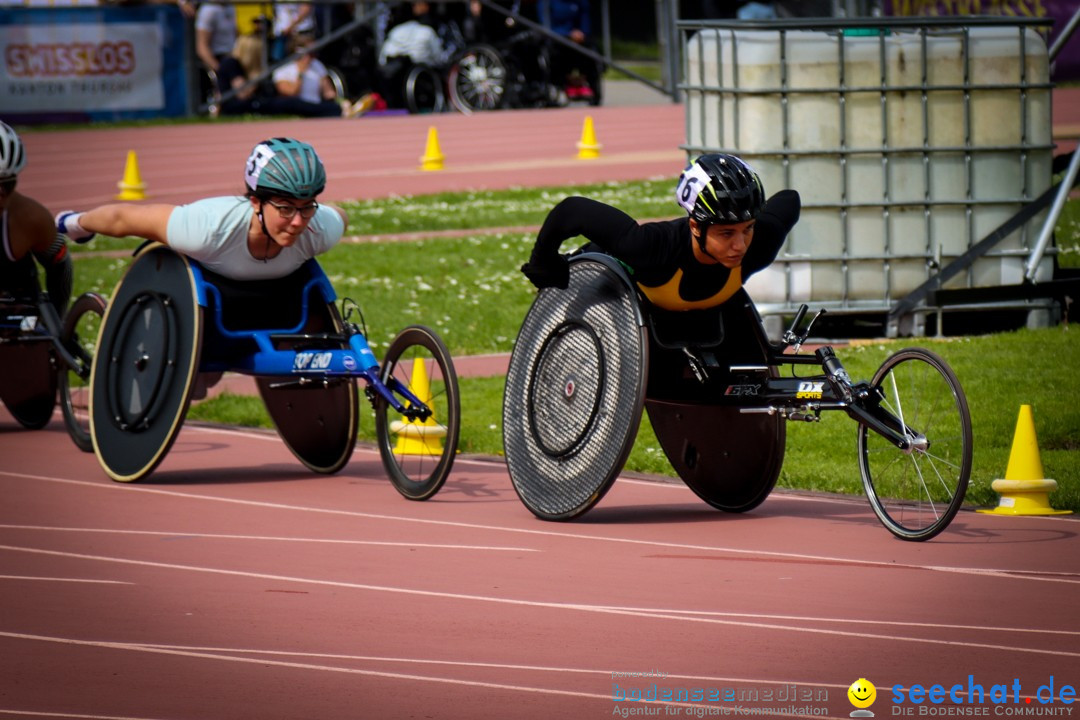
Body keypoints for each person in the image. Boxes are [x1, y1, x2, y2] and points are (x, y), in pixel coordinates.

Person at [521, 153, 800, 393]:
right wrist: (542, 262)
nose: (739, 245)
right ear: (695, 226)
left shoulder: (760, 243)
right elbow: (572, 210)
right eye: (726, 233)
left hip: (693, 314)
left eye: (747, 228)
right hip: (611, 293)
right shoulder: (650, 247)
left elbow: (789, 199)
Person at [55, 137, 347, 282]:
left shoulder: (319, 228)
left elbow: (341, 216)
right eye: (285, 208)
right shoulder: (205, 228)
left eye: (306, 207)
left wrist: (312, 211)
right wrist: (76, 223)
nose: (297, 222)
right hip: (203, 287)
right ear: (255, 201)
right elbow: (123, 219)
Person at [0, 121, 73, 319]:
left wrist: (59, 323)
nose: (1, 195)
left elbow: (60, 264)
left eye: (7, 185)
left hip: (17, 309)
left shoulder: (31, 218)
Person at [272, 32, 367, 118]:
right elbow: (291, 93)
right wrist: (301, 73)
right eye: (310, 53)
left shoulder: (316, 65)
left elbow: (328, 92)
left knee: (327, 107)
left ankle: (346, 109)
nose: (313, 56)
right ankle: (341, 111)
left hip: (316, 106)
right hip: (296, 106)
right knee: (297, 104)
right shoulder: (283, 69)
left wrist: (341, 101)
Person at [538, 0, 602, 105]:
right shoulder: (546, 2)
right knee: (557, 52)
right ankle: (561, 84)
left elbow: (585, 22)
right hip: (558, 39)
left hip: (578, 39)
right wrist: (567, 35)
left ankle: (588, 85)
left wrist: (582, 33)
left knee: (591, 51)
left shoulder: (581, 2)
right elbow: (546, 25)